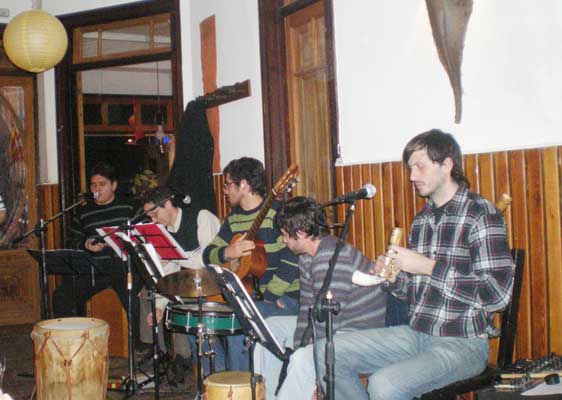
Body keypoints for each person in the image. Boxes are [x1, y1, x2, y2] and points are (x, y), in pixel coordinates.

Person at [297, 129, 515, 400]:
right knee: (325, 351)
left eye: (420, 166)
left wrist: (428, 266)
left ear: (447, 164)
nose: (412, 176)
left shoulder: (481, 214)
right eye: (410, 167)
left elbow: (497, 295)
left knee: (384, 384)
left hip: (463, 343)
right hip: (416, 334)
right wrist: (392, 278)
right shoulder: (422, 220)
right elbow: (416, 292)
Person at [254, 196, 387, 400]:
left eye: (285, 235)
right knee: (270, 329)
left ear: (301, 233)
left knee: (303, 359)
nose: (283, 241)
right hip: (334, 326)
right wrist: (300, 347)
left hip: (358, 333)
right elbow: (308, 311)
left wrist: (314, 372)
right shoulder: (307, 257)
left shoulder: (332, 256)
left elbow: (328, 323)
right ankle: (269, 395)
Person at [202, 157, 300, 372]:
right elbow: (208, 254)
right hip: (250, 296)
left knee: (241, 321)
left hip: (285, 298)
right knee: (203, 321)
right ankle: (218, 384)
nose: (225, 191)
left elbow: (293, 258)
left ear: (243, 185)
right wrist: (229, 252)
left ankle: (242, 389)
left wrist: (272, 295)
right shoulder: (233, 219)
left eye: (228, 184)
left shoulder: (277, 213)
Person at [140, 186, 220, 383]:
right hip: (193, 289)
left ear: (168, 204)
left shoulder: (201, 217)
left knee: (208, 340)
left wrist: (175, 256)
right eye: (149, 216)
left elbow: (208, 260)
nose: (153, 220)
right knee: (191, 331)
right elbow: (169, 272)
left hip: (217, 288)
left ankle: (219, 381)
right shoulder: (166, 232)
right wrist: (159, 305)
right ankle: (205, 381)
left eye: (155, 213)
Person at [52, 162, 140, 339]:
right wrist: (86, 244)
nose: (97, 189)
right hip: (94, 270)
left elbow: (143, 235)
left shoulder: (129, 207)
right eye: (93, 185)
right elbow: (71, 241)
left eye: (102, 184)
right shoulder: (83, 212)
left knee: (132, 296)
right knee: (61, 295)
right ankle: (72, 340)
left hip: (124, 267)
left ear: (113, 185)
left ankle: (137, 342)